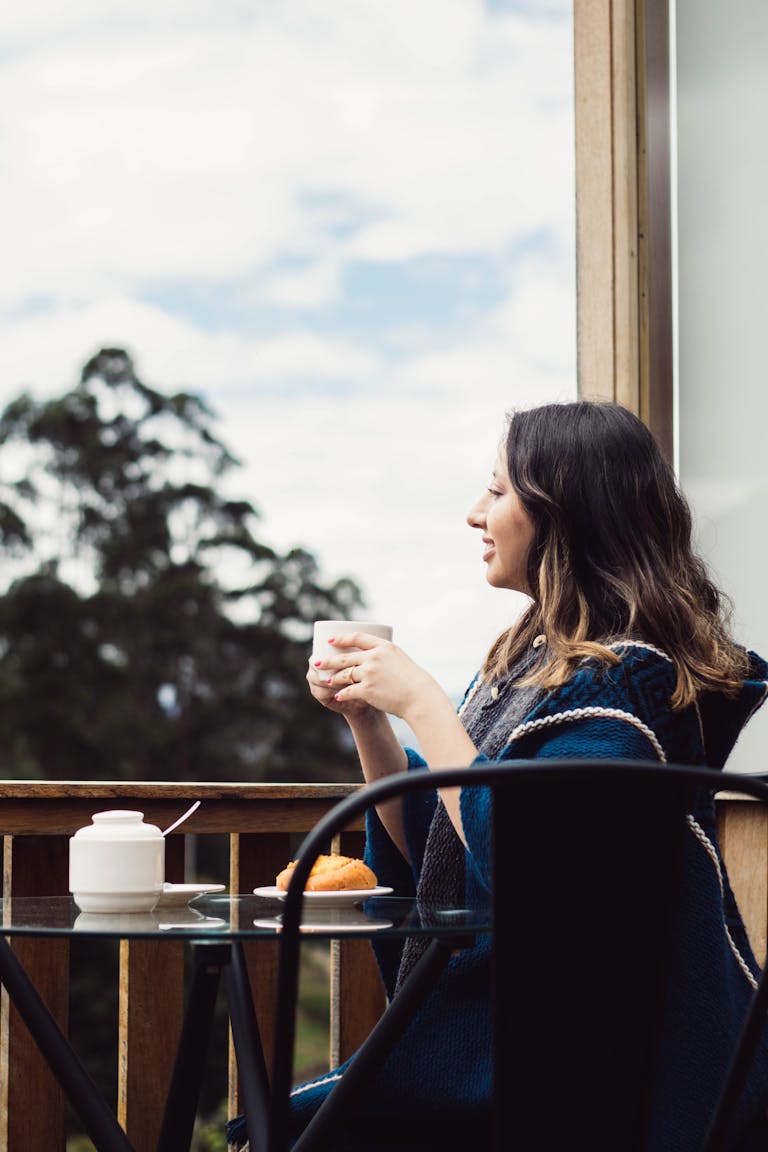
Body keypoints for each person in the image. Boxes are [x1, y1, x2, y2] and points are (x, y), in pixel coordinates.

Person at [228, 400, 768, 1151]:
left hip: (564, 1067)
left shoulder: (626, 689)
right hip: (534, 1047)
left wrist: (421, 699)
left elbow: (529, 865)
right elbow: (444, 837)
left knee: (304, 1129)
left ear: (565, 513)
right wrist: (370, 719)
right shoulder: (533, 667)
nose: (475, 513)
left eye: (499, 491)